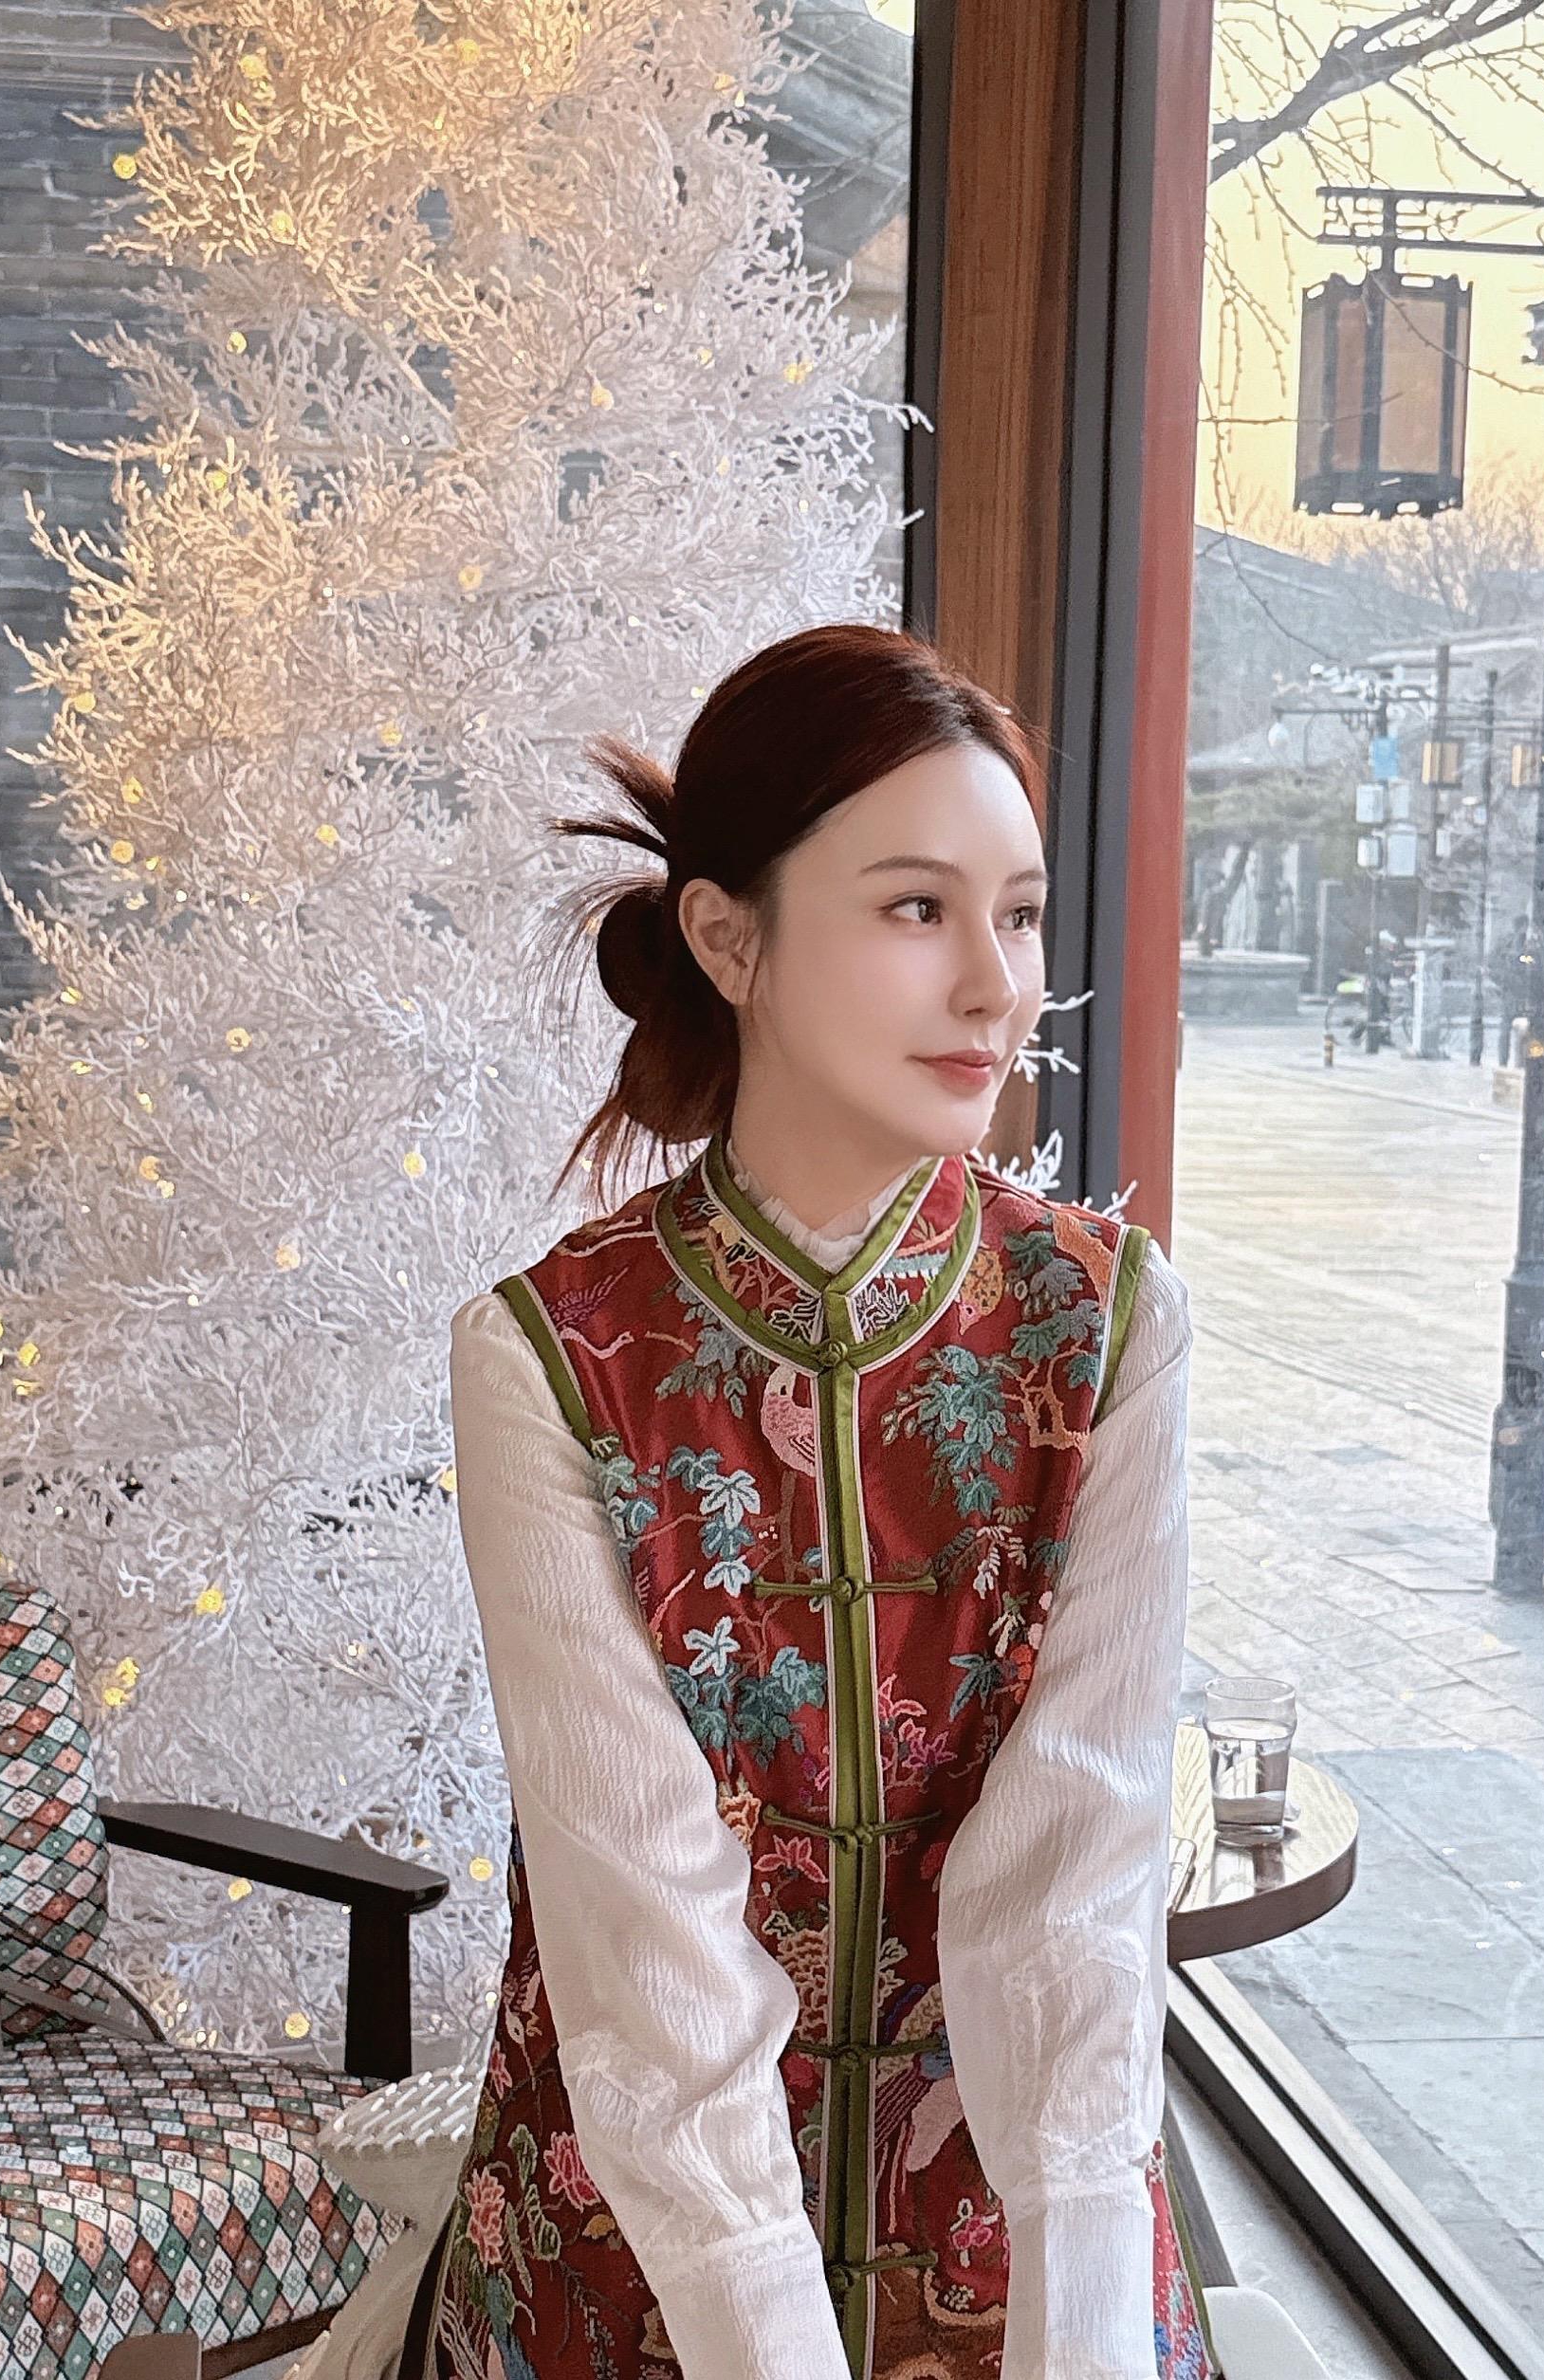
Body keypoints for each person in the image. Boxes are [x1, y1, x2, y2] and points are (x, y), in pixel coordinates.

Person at [413, 625, 1209, 2380]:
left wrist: (1080, 2335)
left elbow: (1077, 1868)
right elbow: (637, 1930)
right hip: (632, 2262)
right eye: (918, 907)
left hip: (1010, 2254)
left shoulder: (1104, 1321)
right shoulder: (551, 1353)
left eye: (1018, 914)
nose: (997, 986)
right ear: (728, 938)